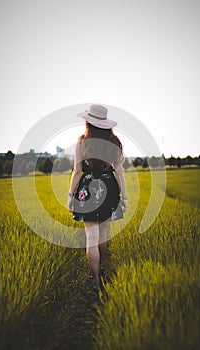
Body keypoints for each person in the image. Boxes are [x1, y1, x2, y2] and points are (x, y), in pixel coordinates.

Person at [67, 104, 127, 291]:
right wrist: (124, 197)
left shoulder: (81, 142)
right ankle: (101, 269)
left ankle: (95, 280)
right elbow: (119, 171)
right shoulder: (114, 141)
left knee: (90, 239)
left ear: (88, 122)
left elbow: (77, 171)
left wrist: (71, 196)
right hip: (108, 188)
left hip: (87, 189)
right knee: (102, 235)